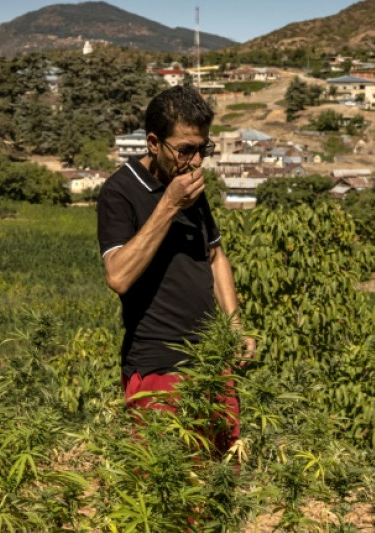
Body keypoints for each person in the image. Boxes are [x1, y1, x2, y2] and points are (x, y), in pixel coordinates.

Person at [96, 85, 253, 452]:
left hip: (212, 362)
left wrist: (234, 326)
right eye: (185, 150)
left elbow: (215, 256)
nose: (196, 162)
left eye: (203, 149)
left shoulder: (190, 187)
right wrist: (169, 204)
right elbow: (118, 276)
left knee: (221, 482)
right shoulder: (120, 192)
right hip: (159, 367)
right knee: (170, 485)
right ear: (153, 142)